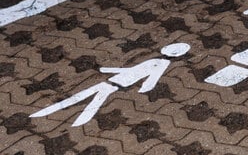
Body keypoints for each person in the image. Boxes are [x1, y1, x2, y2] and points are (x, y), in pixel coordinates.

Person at [30, 43, 190, 127]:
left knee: (93, 101)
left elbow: (152, 77)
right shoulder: (157, 61)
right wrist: (108, 69)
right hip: (113, 80)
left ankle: (76, 119)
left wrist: (146, 87)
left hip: (116, 84)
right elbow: (132, 69)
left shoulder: (160, 64)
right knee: (83, 98)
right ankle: (53, 112)